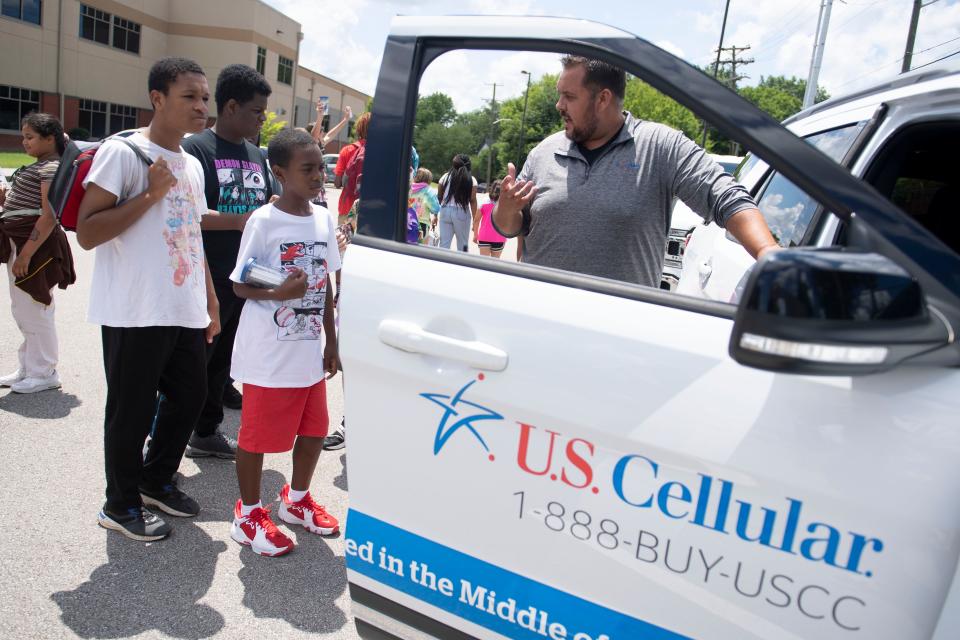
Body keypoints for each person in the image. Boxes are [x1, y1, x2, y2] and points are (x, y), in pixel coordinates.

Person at [76, 57, 221, 542]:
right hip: (134, 308)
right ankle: (118, 505)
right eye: (190, 97)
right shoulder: (124, 154)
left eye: (205, 98)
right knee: (131, 409)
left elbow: (191, 237)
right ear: (158, 98)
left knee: (192, 395)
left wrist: (211, 301)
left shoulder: (193, 164)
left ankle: (155, 479)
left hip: (182, 306)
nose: (202, 106)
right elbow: (89, 232)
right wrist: (149, 195)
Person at [493, 56, 778, 285]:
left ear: (602, 99)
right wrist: (506, 209)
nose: (559, 105)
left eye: (569, 96)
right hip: (539, 322)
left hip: (623, 337)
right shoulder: (543, 152)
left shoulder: (661, 147)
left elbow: (726, 196)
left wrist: (769, 255)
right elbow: (510, 227)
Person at [228, 128, 341, 556]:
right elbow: (240, 284)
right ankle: (248, 513)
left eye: (321, 167)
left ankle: (295, 502)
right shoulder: (264, 221)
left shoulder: (323, 218)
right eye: (307, 168)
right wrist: (279, 293)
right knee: (256, 438)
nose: (318, 176)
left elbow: (326, 282)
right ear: (279, 172)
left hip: (309, 349)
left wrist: (332, 339)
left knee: (314, 431)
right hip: (269, 353)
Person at [169, 63, 274, 460]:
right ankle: (162, 444)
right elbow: (186, 216)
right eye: (257, 112)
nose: (263, 119)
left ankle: (206, 430)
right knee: (192, 364)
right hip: (206, 277)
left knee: (224, 362)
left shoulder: (256, 155)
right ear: (231, 106)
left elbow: (264, 206)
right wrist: (239, 220)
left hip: (246, 278)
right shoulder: (196, 151)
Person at [0, 113, 75, 393]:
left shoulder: (50, 167)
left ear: (49, 138)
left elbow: (49, 215)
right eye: (23, 136)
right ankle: (29, 368)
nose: (24, 142)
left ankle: (44, 372)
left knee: (35, 307)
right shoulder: (42, 165)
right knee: (22, 307)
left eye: (30, 137)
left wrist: (26, 254)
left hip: (33, 246)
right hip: (20, 242)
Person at [333, 111, 371, 224]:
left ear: (359, 129)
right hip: (369, 210)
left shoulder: (347, 150)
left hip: (347, 208)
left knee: (344, 241)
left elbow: (337, 183)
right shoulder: (380, 152)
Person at [437, 154, 479, 252]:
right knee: (462, 245)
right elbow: (472, 200)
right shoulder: (471, 180)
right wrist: (474, 220)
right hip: (462, 212)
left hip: (445, 210)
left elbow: (439, 196)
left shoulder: (445, 177)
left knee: (444, 245)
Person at [474, 179, 506, 258]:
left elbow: (476, 220)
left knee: (484, 264)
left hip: (484, 236)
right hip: (499, 237)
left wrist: (475, 235)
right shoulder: (504, 204)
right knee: (495, 265)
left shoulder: (484, 202)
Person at [409, 168, 439, 244]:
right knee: (419, 249)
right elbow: (435, 208)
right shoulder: (429, 191)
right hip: (422, 224)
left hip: (407, 222)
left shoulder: (409, 187)